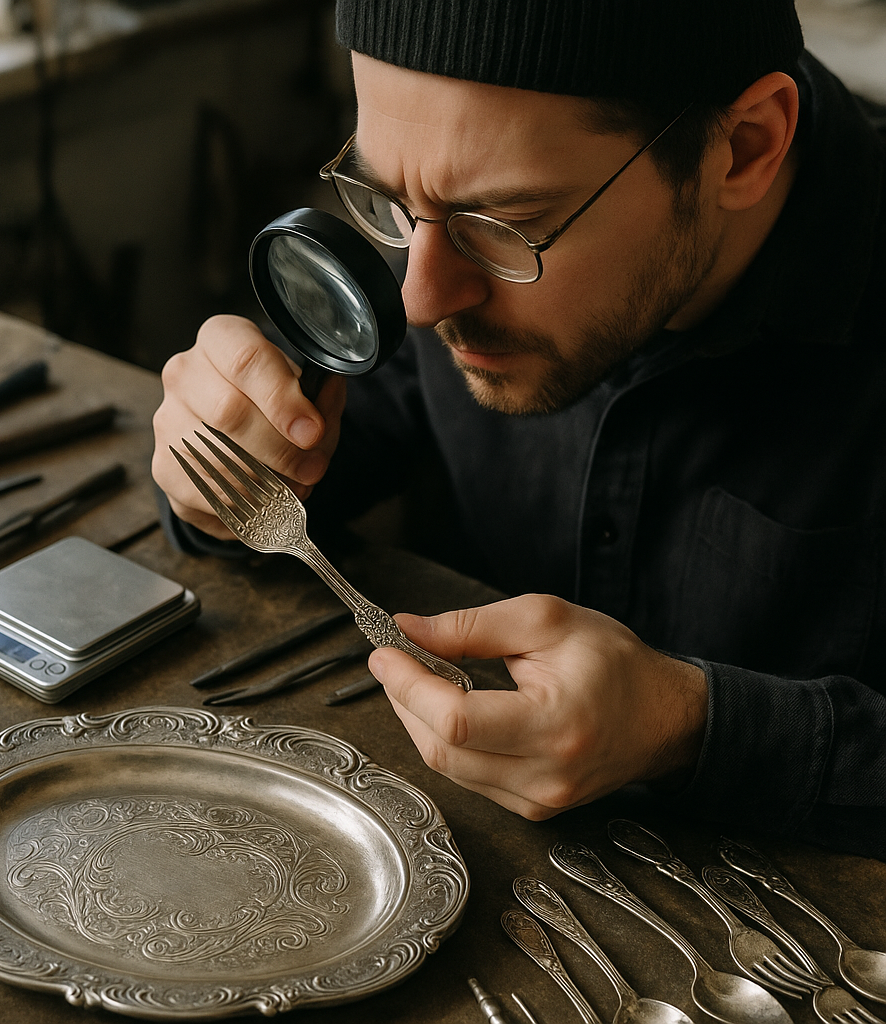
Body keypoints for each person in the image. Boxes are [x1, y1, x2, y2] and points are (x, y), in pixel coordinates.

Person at [152, 0, 886, 859]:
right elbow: (338, 436)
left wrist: (690, 728)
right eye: (390, 202)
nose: (422, 301)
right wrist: (234, 451)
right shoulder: (454, 217)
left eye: (508, 228)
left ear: (746, 146)